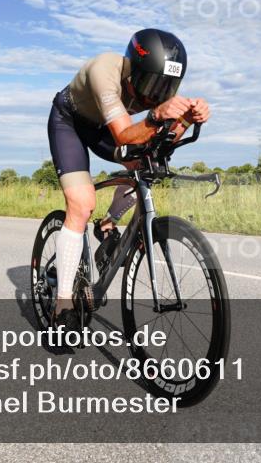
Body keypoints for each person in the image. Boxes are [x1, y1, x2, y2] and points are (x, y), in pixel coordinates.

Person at [45, 28, 210, 330]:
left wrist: (186, 119)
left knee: (147, 161)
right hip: (70, 122)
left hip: (104, 129)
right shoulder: (104, 70)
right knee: (81, 205)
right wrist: (156, 116)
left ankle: (108, 224)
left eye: (165, 87)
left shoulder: (160, 90)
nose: (154, 93)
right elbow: (123, 135)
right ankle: (63, 304)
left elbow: (162, 143)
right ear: (133, 69)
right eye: (149, 83)